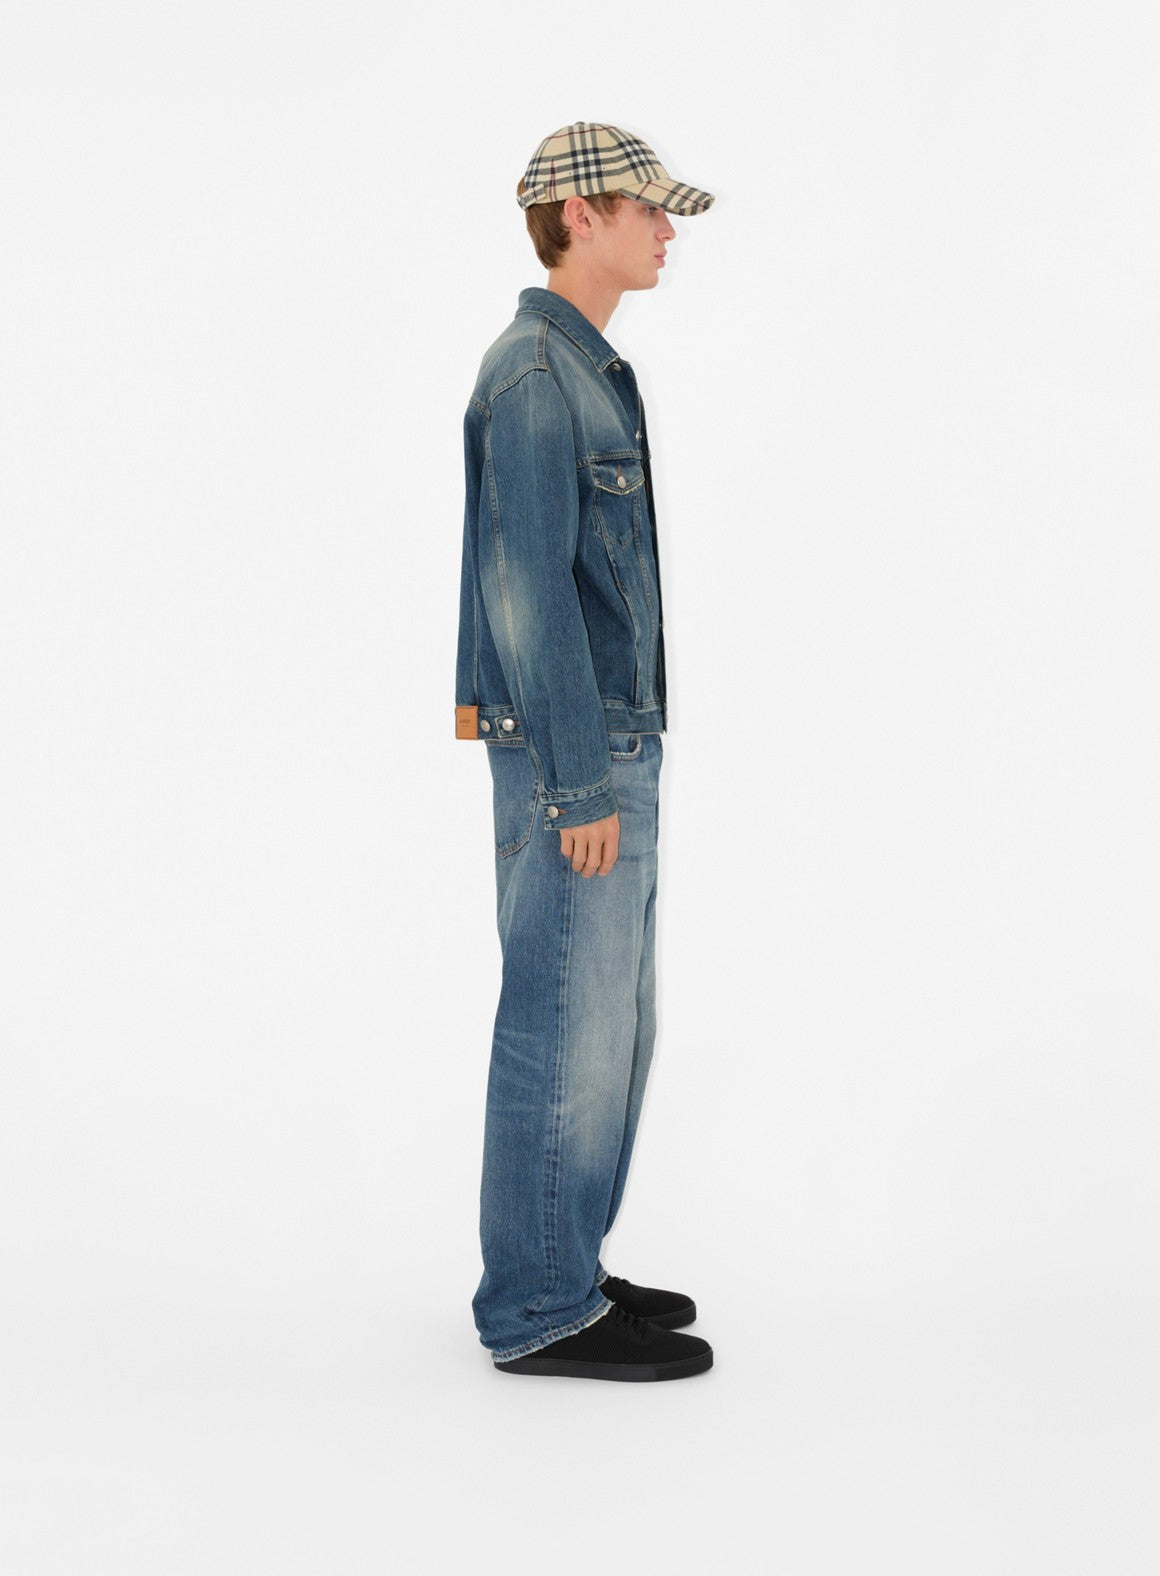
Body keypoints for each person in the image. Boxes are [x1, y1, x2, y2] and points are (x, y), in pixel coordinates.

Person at [454, 123, 715, 1381]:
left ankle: (565, 1261)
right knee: (563, 1021)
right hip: (577, 756)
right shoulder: (532, 376)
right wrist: (575, 782)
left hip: (607, 742)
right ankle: (537, 1306)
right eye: (646, 209)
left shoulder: (586, 369)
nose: (666, 230)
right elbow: (529, 595)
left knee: (612, 1026)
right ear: (580, 217)